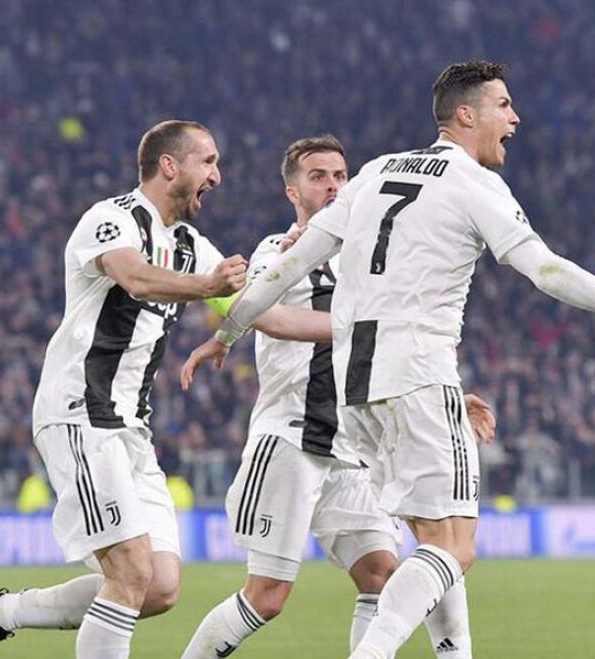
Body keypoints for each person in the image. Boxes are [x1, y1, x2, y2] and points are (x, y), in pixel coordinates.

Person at [181, 60, 595, 659]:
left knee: (420, 544)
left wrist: (227, 332)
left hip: (357, 389)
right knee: (454, 546)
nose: (515, 118)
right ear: (466, 115)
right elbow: (546, 271)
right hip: (413, 373)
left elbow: (294, 262)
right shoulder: (473, 183)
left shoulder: (378, 171)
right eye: (504, 105)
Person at [0, 120, 323, 659]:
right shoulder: (111, 219)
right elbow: (134, 277)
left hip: (131, 429)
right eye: (208, 162)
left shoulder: (191, 245)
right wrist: (207, 287)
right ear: (169, 166)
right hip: (80, 413)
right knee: (129, 571)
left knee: (158, 587)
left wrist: (362, 326)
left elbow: (265, 315)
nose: (217, 176)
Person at [180, 135, 493, 658]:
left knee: (381, 574)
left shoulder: (368, 259)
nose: (332, 186)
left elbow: (398, 344)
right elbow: (269, 317)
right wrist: (360, 326)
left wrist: (443, 395)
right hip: (291, 437)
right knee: (266, 597)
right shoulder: (277, 251)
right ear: (292, 191)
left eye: (340, 176)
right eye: (318, 176)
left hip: (351, 446)